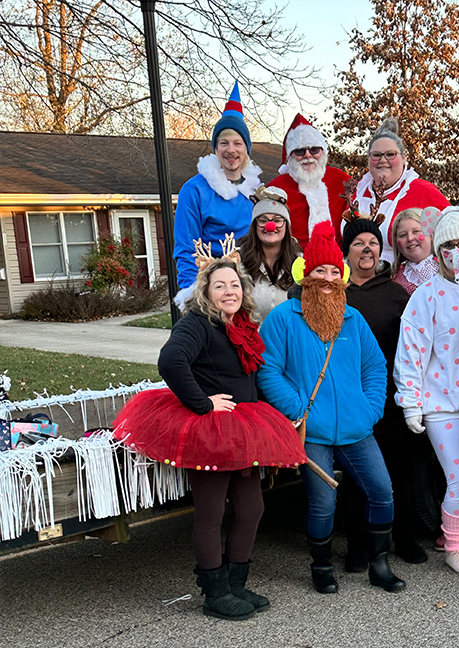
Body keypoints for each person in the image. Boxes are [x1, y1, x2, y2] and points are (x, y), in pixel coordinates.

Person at [112, 242, 306, 620]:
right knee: (211, 513)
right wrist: (202, 403)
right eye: (219, 286)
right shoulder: (196, 323)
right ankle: (215, 592)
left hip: (244, 429)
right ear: (206, 292)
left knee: (252, 509)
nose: (229, 291)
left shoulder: (243, 326)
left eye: (234, 285)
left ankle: (236, 582)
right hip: (210, 432)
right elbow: (170, 361)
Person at [257, 221, 405, 594]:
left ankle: (379, 563)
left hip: (357, 426)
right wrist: (299, 408)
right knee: (324, 500)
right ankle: (321, 565)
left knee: (382, 491)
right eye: (318, 271)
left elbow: (374, 367)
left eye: (332, 271)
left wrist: (370, 408)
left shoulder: (353, 320)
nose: (326, 278)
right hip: (311, 430)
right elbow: (267, 370)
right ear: (305, 274)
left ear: (342, 276)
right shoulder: (282, 319)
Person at [394, 204, 459, 575]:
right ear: (438, 250)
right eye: (449, 245)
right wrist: (411, 403)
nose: (458, 252)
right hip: (442, 403)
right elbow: (411, 351)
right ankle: (456, 545)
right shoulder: (425, 296)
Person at [340, 212, 427, 569]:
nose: (367, 248)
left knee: (399, 470)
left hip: (392, 397)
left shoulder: (396, 293)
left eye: (373, 242)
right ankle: (358, 544)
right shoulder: (337, 295)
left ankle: (403, 536)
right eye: (358, 242)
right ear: (346, 252)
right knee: (356, 476)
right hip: (349, 398)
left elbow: (415, 344)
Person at [173, 81, 262, 308]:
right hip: (208, 288)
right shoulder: (194, 191)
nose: (230, 150)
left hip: (249, 287)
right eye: (224, 143)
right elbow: (186, 248)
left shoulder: (256, 193)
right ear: (215, 148)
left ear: (246, 149)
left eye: (237, 143)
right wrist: (192, 295)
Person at [352, 118, 450, 265]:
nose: (383, 160)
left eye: (390, 154)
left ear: (403, 157)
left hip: (400, 282)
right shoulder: (356, 191)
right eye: (376, 155)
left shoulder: (422, 190)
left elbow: (456, 230)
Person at [268, 114, 350, 250]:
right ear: (290, 156)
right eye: (299, 151)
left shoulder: (342, 181)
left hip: (338, 264)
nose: (307, 155)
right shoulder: (276, 188)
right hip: (292, 264)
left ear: (323, 152)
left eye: (314, 149)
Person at [239, 185, 301, 321]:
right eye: (263, 220)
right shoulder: (237, 262)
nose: (270, 226)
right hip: (249, 340)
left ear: (286, 225)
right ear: (254, 225)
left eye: (277, 220)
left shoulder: (301, 264)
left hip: (289, 340)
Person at [391, 207, 440, 295]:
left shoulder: (448, 269)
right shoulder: (394, 277)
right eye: (403, 235)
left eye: (416, 231)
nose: (410, 238)